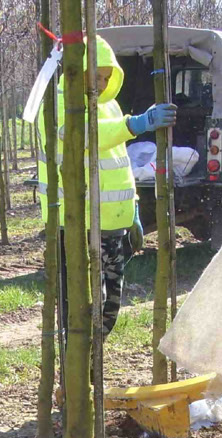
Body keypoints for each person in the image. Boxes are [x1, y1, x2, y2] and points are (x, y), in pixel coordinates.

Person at [37, 35, 176, 333]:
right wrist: (135, 124)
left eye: (106, 77)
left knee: (108, 308)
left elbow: (118, 162)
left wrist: (133, 210)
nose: (100, 83)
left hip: (111, 225)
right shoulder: (56, 104)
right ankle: (78, 374)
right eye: (95, 75)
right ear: (78, 70)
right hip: (76, 225)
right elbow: (82, 136)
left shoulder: (109, 106)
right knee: (79, 311)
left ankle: (92, 367)